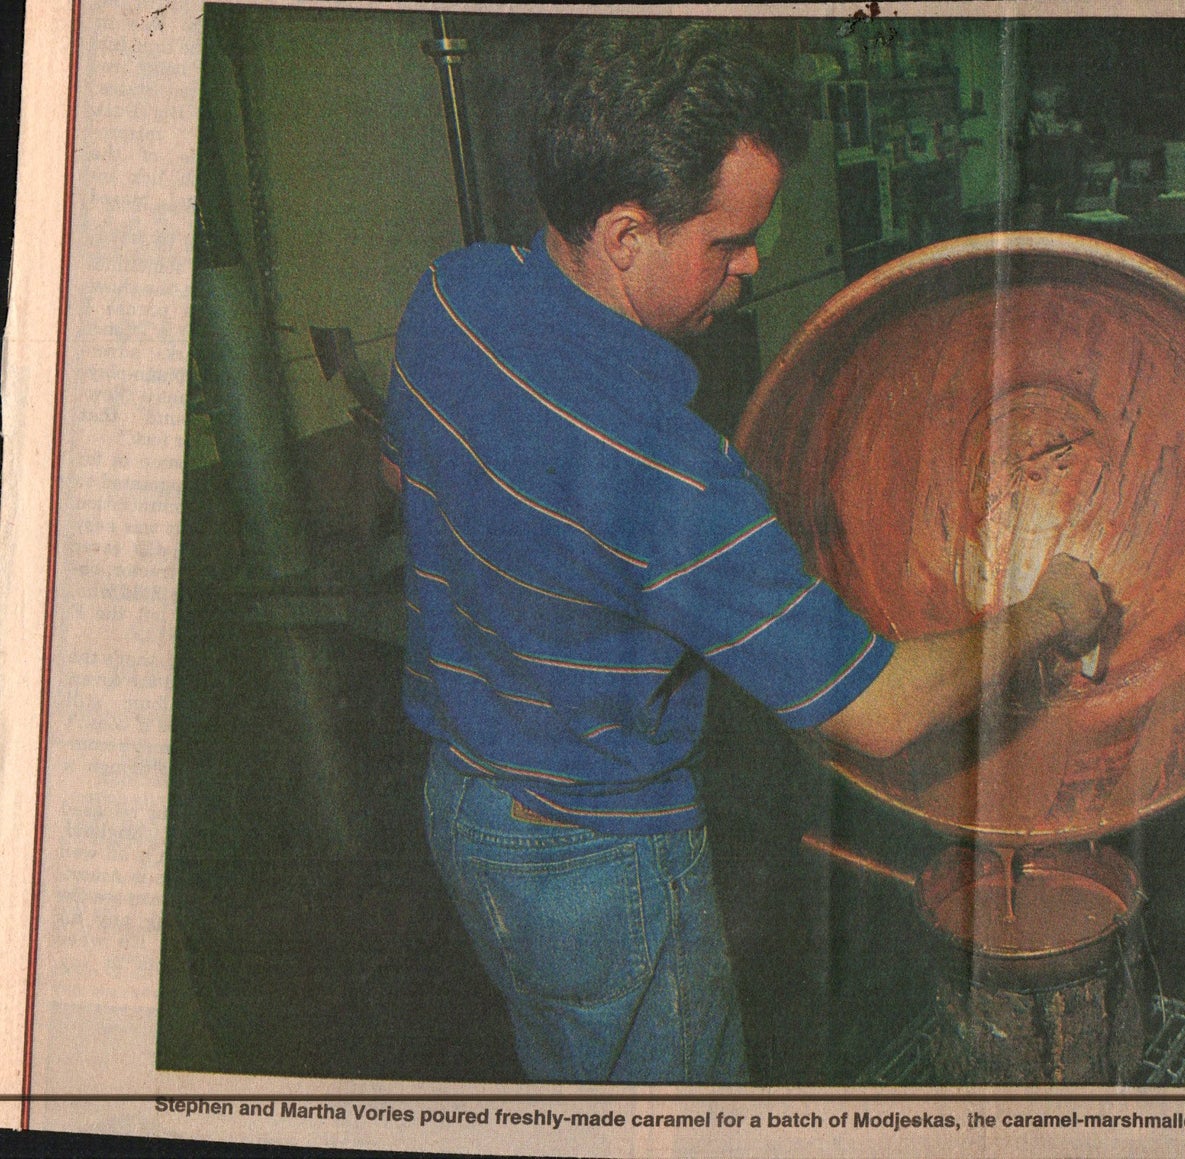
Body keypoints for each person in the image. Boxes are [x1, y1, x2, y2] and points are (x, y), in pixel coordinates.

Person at [382, 21, 1106, 1083]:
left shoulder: (449, 295)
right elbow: (881, 707)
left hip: (466, 807)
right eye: (728, 241)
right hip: (602, 862)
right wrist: (1049, 612)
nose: (752, 262)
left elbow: (402, 477)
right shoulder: (670, 472)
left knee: (566, 1076)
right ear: (625, 235)